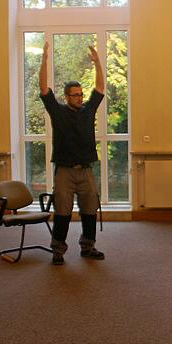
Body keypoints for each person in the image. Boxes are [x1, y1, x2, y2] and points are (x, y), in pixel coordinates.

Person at [39, 41, 105, 265]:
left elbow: (100, 89)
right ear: (66, 96)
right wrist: (44, 60)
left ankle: (88, 247)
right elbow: (44, 90)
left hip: (85, 170)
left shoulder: (88, 110)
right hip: (65, 172)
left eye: (80, 94)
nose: (79, 97)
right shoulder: (57, 112)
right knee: (63, 214)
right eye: (74, 95)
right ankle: (58, 250)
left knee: (89, 212)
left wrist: (98, 64)